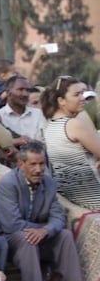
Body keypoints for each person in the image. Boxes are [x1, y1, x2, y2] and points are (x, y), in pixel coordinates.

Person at [0, 141, 98, 281]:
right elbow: (12, 225)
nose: (38, 169)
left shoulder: (49, 183)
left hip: (33, 233)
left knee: (64, 235)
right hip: (4, 237)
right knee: (27, 238)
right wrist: (40, 229)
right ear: (21, 165)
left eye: (41, 163)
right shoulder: (8, 183)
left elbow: (58, 217)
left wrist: (45, 230)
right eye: (33, 164)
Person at [42, 75, 100, 210]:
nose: (83, 98)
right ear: (61, 100)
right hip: (90, 193)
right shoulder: (74, 124)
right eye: (77, 94)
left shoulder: (51, 124)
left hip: (69, 191)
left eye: (83, 93)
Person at [0, 76, 45, 144]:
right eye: (20, 90)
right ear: (8, 92)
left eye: (27, 90)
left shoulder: (39, 114)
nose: (25, 94)